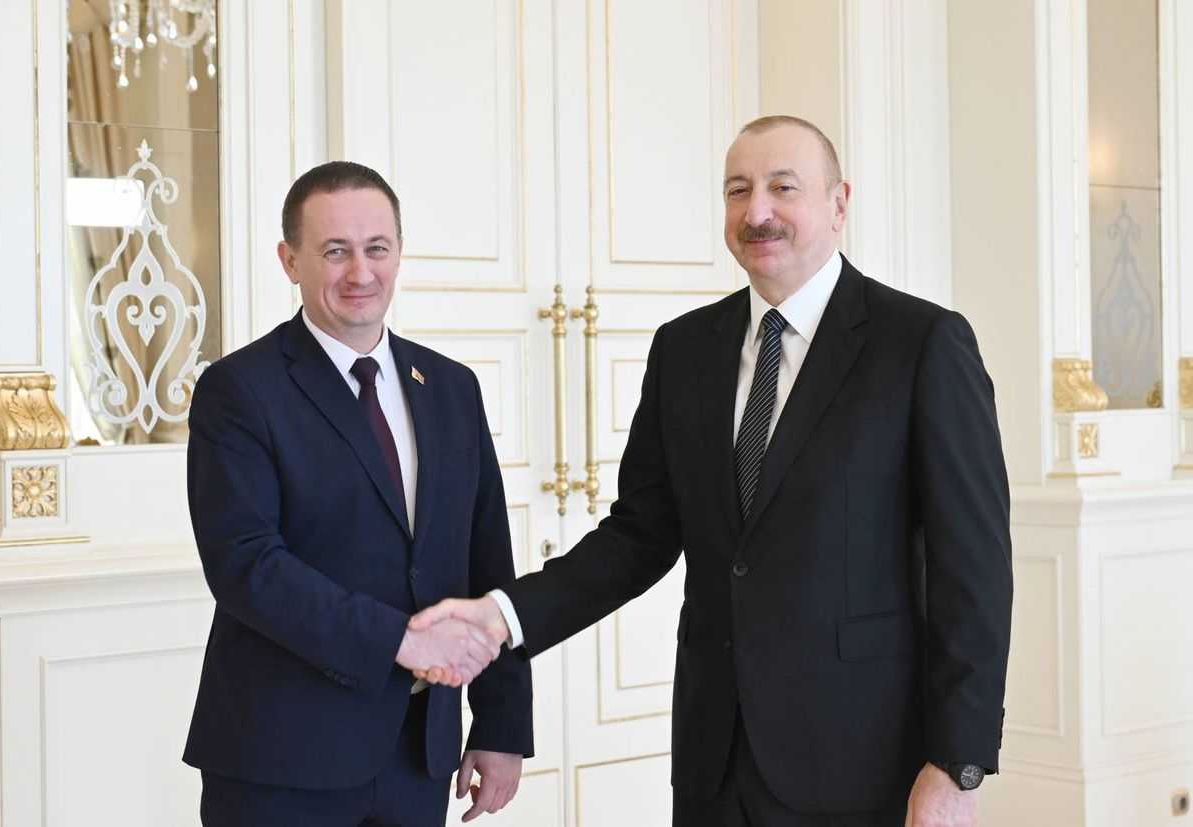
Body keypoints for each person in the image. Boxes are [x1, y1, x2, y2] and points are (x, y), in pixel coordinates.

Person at [411, 116, 1013, 827]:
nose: (756, 211)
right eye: (738, 190)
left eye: (782, 187)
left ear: (839, 203)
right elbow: (637, 537)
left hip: (866, 763)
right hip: (714, 762)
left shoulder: (922, 344)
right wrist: (502, 616)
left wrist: (957, 767)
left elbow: (972, 574)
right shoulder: (685, 350)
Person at [183, 161, 531, 826]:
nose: (360, 273)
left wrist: (502, 722)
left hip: (417, 758)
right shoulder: (239, 391)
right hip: (279, 758)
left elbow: (489, 564)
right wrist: (399, 640)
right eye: (334, 251)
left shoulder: (453, 388)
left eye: (377, 249)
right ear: (289, 260)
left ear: (399, 253)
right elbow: (246, 567)